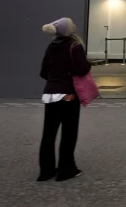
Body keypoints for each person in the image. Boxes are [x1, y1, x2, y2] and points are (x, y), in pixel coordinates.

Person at [37, 17, 92, 181]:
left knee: (49, 133)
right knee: (69, 132)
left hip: (50, 93)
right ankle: (66, 169)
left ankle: (46, 171)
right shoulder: (75, 46)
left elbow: (43, 72)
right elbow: (82, 69)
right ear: (68, 30)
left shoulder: (51, 46)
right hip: (68, 93)